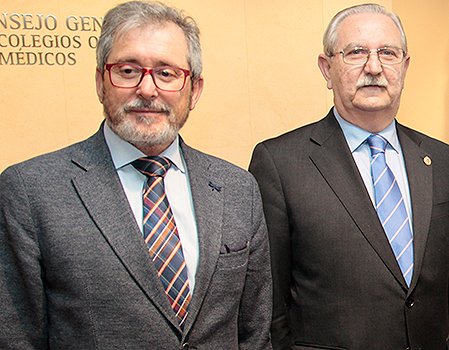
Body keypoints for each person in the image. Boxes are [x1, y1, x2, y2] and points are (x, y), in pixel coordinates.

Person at [0, 1, 273, 349]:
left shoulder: (237, 189)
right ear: (101, 82)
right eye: (128, 71)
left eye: (167, 73)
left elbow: (255, 334)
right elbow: (16, 338)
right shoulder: (31, 190)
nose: (147, 89)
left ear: (195, 90)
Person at [248, 4, 449, 350]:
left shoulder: (441, 159)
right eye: (355, 52)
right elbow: (269, 306)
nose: (373, 67)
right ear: (326, 68)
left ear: (404, 68)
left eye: (387, 53)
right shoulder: (280, 163)